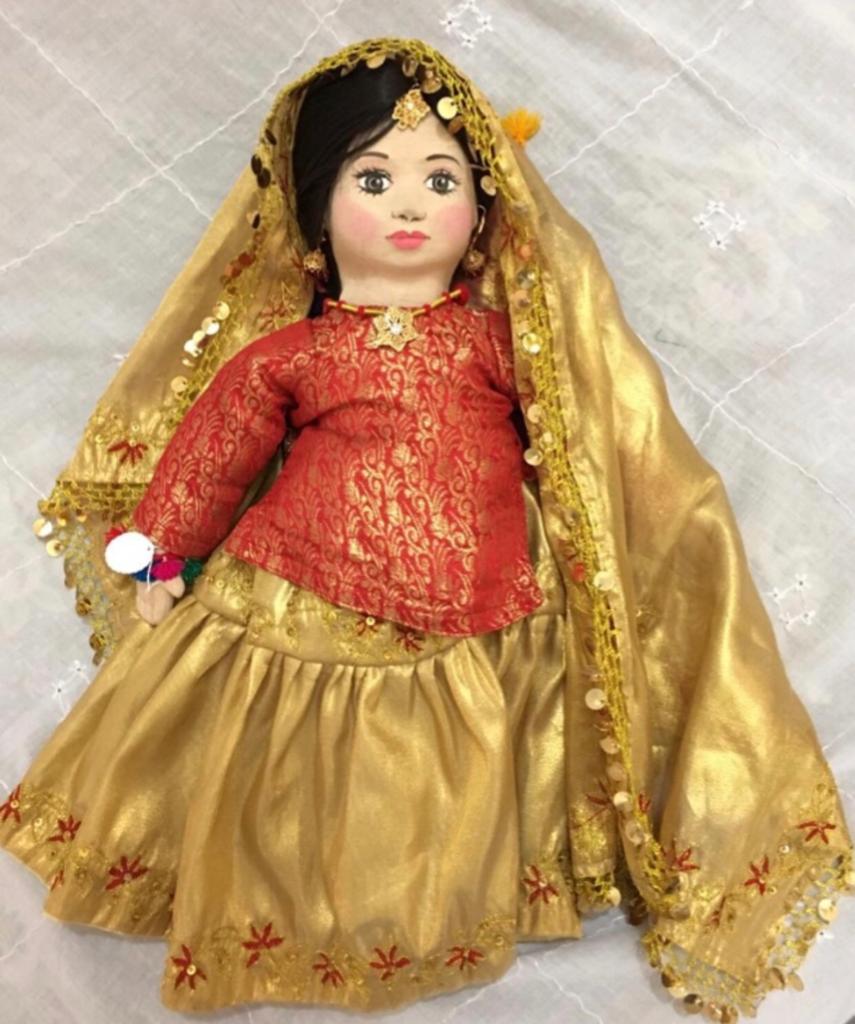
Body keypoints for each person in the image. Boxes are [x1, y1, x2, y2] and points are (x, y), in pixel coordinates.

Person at [2, 36, 852, 1022]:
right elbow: (215, 453)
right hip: (296, 586)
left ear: (484, 214)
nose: (408, 206)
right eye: (374, 179)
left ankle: (440, 890)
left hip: (480, 600)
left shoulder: (506, 343)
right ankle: (292, 897)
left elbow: (586, 433)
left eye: (440, 180)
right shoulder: (291, 356)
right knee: (294, 761)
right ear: (316, 214)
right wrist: (162, 553)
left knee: (460, 752)